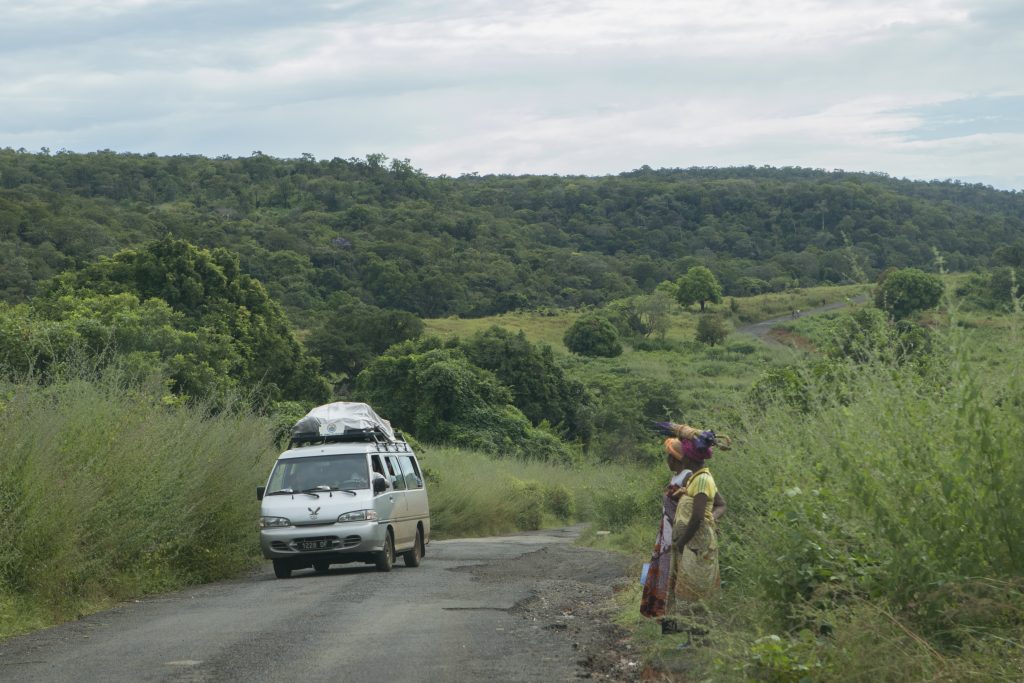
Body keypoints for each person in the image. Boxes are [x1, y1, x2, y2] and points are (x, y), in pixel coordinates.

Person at [665, 425, 728, 637]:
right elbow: (717, 506)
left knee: (697, 592)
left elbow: (698, 517)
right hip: (694, 544)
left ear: (689, 459)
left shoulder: (702, 480)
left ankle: (701, 639)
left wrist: (682, 542)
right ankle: (694, 639)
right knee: (692, 592)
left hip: (697, 545)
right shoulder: (697, 478)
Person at [639, 440, 692, 624]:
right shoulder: (676, 477)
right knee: (665, 573)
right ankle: (664, 616)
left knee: (672, 574)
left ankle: (674, 620)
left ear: (676, 458)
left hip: (675, 532)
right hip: (666, 531)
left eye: (669, 456)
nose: (667, 460)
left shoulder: (688, 476)